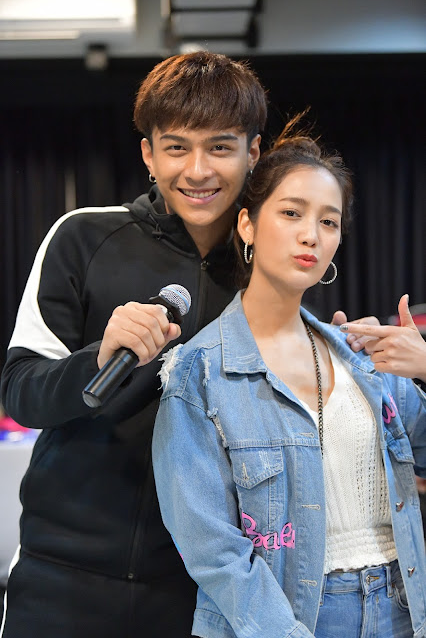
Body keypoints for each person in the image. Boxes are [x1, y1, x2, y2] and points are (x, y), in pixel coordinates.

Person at [0, 52, 380, 637]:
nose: (198, 170)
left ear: (253, 152)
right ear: (148, 153)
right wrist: (96, 360)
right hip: (63, 578)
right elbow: (21, 391)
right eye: (177, 147)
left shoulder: (269, 267)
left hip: (199, 591)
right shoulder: (83, 237)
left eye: (220, 147)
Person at [152, 116, 426, 638]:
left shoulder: (363, 358)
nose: (311, 235)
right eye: (292, 213)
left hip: (401, 608)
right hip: (290, 618)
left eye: (329, 221)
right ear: (248, 225)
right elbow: (211, 549)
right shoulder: (199, 372)